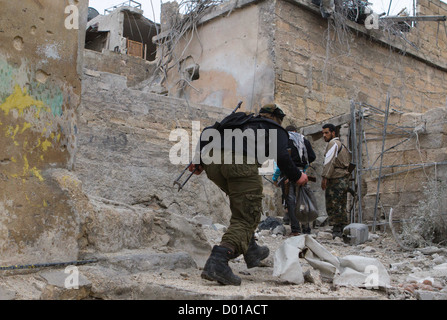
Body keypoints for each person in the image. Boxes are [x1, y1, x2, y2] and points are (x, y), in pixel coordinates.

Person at [188, 104, 308, 285]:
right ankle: (219, 260)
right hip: (239, 162)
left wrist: (197, 159)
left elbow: (208, 131)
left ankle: (251, 250)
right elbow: (283, 158)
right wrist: (298, 176)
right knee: (247, 214)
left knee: (243, 205)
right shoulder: (276, 128)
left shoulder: (241, 120)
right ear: (277, 118)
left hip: (212, 162)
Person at [273, 125, 316, 236]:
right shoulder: (304, 141)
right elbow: (312, 156)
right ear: (295, 131)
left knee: (291, 202)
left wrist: (275, 178)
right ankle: (306, 229)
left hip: (288, 174)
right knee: (303, 201)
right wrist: (303, 169)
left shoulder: (285, 140)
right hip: (302, 174)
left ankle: (296, 229)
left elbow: (281, 161)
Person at [321, 123, 351, 239]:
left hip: (336, 178)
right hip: (342, 178)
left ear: (333, 133)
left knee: (333, 203)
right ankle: (342, 227)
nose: (324, 135)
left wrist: (325, 177)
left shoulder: (333, 143)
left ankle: (337, 229)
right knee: (341, 203)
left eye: (326, 133)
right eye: (323, 133)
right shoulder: (341, 144)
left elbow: (330, 162)